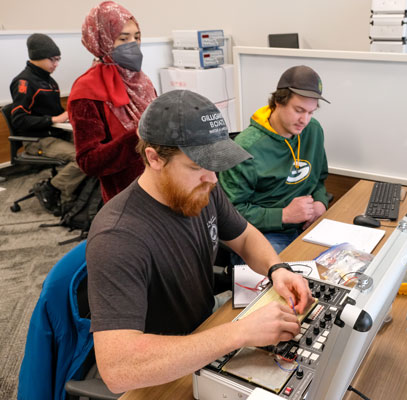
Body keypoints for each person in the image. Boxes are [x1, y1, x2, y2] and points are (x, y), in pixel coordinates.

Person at [85, 89, 313, 393]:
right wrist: (239, 333)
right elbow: (118, 369)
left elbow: (244, 237)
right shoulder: (118, 237)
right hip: (163, 367)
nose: (213, 178)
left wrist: (277, 269)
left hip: (206, 326)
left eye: (215, 164)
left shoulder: (201, 188)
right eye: (197, 166)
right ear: (154, 158)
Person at [219, 65, 330, 256]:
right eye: (298, 110)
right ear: (278, 102)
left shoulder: (313, 130)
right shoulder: (246, 147)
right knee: (291, 279)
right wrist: (284, 215)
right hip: (263, 234)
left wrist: (320, 203)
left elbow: (319, 179)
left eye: (311, 113)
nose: (304, 120)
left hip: (307, 224)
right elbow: (230, 213)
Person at [68, 1, 156, 203]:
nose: (133, 44)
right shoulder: (87, 91)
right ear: (102, 40)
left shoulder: (142, 81)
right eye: (123, 38)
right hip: (127, 197)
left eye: (137, 37)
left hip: (162, 184)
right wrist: (137, 137)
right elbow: (89, 162)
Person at [9, 33, 87, 212]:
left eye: (58, 59)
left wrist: (68, 115)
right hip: (37, 140)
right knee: (80, 159)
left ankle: (70, 198)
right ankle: (51, 189)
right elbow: (19, 120)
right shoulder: (24, 82)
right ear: (37, 57)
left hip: (54, 135)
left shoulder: (49, 81)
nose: (56, 64)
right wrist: (53, 119)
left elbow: (54, 111)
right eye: (52, 59)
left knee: (90, 151)